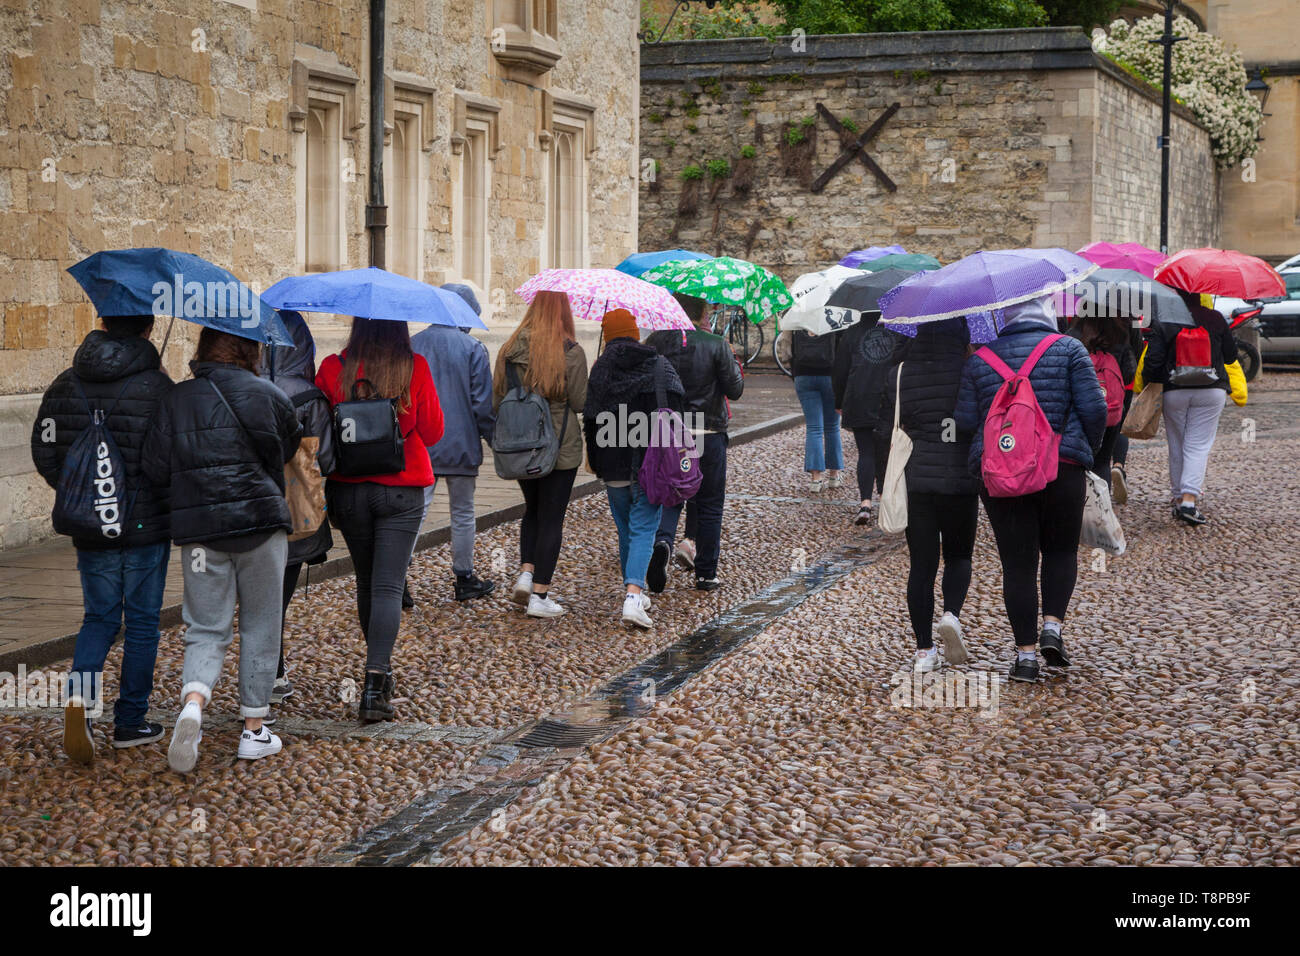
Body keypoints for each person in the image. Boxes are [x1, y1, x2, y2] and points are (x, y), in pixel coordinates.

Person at [142, 328, 301, 771]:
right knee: (261, 624)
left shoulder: (177, 398)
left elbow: (155, 466)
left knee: (205, 628)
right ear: (250, 348)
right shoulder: (266, 393)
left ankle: (194, 703)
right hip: (260, 526)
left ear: (203, 349)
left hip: (200, 532)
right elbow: (288, 447)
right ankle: (253, 731)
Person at [31, 314, 173, 764]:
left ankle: (80, 703)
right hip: (146, 525)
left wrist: (82, 493)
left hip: (92, 526)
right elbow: (169, 458)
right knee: (144, 624)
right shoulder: (158, 388)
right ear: (148, 330)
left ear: (102, 323)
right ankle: (130, 722)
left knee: (99, 619)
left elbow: (45, 446)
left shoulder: (64, 383)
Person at [955, 296, 1108, 683]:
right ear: (1045, 311)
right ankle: (1052, 628)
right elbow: (1094, 410)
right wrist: (1081, 451)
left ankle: (1024, 657)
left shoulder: (980, 360)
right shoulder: (1070, 348)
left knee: (1018, 564)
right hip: (1062, 469)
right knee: (1060, 550)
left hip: (1002, 473)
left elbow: (965, 421)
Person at [316, 317, 444, 722]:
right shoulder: (414, 368)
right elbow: (433, 431)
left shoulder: (333, 369)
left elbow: (322, 432)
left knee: (367, 581)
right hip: (402, 486)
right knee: (389, 584)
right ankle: (376, 680)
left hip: (349, 488)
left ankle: (378, 672)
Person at [584, 309, 685, 626]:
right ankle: (632, 596)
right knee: (644, 527)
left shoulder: (601, 368)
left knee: (627, 528)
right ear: (635, 332)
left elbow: (591, 419)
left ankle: (637, 592)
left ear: (608, 335)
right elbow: (677, 409)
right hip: (650, 462)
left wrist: (596, 460)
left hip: (612, 462)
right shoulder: (658, 365)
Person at [493, 291, 588, 619]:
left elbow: (498, 400)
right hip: (559, 447)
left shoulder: (509, 349)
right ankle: (540, 595)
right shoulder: (571, 352)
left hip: (520, 445)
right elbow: (579, 402)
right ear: (563, 312)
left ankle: (526, 573)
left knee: (532, 510)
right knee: (551, 518)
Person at [260, 311, 335, 707]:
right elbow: (329, 461)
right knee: (278, 596)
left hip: (248, 508)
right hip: (293, 512)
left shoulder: (243, 389)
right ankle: (269, 672)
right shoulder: (308, 397)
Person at [645, 293, 744, 592]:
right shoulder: (715, 344)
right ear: (701, 313)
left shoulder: (655, 341)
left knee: (671, 492)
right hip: (708, 433)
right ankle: (706, 573)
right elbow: (735, 389)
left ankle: (663, 541)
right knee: (710, 502)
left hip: (670, 433)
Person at [898, 319, 977, 673]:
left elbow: (891, 428)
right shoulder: (970, 370)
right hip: (961, 481)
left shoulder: (902, 372)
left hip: (918, 481)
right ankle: (951, 615)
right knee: (959, 556)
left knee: (921, 566)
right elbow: (973, 421)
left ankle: (923, 651)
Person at [409, 284, 496, 602]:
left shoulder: (413, 344)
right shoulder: (473, 347)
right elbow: (482, 406)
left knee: (416, 513)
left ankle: (397, 577)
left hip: (422, 443)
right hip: (461, 444)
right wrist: (493, 438)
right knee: (462, 512)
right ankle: (464, 577)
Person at [1140, 291, 1246, 525]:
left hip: (1175, 391)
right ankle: (1189, 501)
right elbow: (1230, 356)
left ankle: (1179, 500)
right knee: (1198, 445)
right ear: (1201, 296)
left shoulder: (1165, 320)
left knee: (1177, 444)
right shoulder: (1215, 318)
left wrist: (1158, 381)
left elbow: (1152, 362)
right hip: (1212, 390)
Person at [832, 315, 908, 525]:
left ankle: (865, 503)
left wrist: (838, 401)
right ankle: (885, 500)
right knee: (886, 452)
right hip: (887, 398)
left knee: (865, 453)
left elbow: (840, 370)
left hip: (859, 396)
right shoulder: (898, 330)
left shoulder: (852, 332)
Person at [1067, 313, 1136, 489]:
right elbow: (1129, 373)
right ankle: (1101, 508)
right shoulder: (1119, 334)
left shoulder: (1072, 334)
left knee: (1077, 460)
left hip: (1079, 407)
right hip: (1110, 407)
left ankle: (1079, 506)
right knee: (1103, 461)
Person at [791, 329, 842, 492]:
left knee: (814, 428)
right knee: (832, 427)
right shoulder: (836, 315)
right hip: (830, 375)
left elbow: (788, 351)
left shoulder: (798, 314)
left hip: (803, 375)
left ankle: (816, 479)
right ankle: (834, 476)